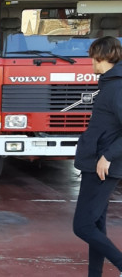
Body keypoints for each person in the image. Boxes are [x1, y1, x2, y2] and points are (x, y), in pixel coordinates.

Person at [73, 36, 122, 277]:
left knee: (82, 226)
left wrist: (108, 157)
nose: (90, 62)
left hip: (102, 166)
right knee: (97, 225)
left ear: (101, 57)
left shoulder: (117, 87)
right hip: (96, 162)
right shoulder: (109, 84)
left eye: (92, 56)